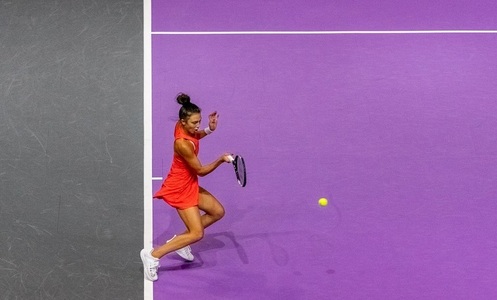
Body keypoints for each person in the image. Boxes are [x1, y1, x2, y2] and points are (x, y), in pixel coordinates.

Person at [140, 93, 232, 282]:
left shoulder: (184, 128)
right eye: (194, 123)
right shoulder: (181, 144)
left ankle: (181, 242)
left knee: (217, 211)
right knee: (197, 233)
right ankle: (153, 256)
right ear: (183, 122)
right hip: (180, 187)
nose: (197, 126)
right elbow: (201, 170)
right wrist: (221, 160)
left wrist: (209, 129)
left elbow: (196, 135)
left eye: (199, 121)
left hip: (189, 182)